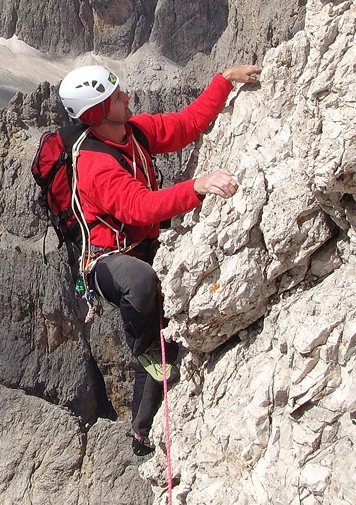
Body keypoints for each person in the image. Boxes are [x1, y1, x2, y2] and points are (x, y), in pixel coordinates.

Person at [58, 63, 261, 456]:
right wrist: (198, 187)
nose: (128, 97)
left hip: (142, 244)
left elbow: (186, 125)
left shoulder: (133, 132)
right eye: (118, 97)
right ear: (98, 112)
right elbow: (140, 207)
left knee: (159, 315)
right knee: (142, 288)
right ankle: (145, 356)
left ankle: (142, 428)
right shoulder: (94, 163)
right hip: (106, 260)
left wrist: (223, 80)